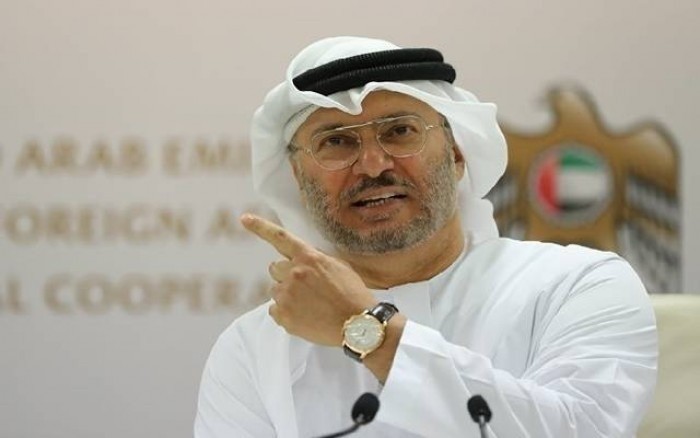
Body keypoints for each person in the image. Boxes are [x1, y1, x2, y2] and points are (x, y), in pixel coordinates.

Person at [194, 36, 657, 438]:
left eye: (400, 132)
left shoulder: (575, 285)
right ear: (298, 177)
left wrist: (369, 332)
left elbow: (584, 430)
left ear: (456, 154)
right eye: (336, 141)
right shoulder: (254, 348)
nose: (373, 165)